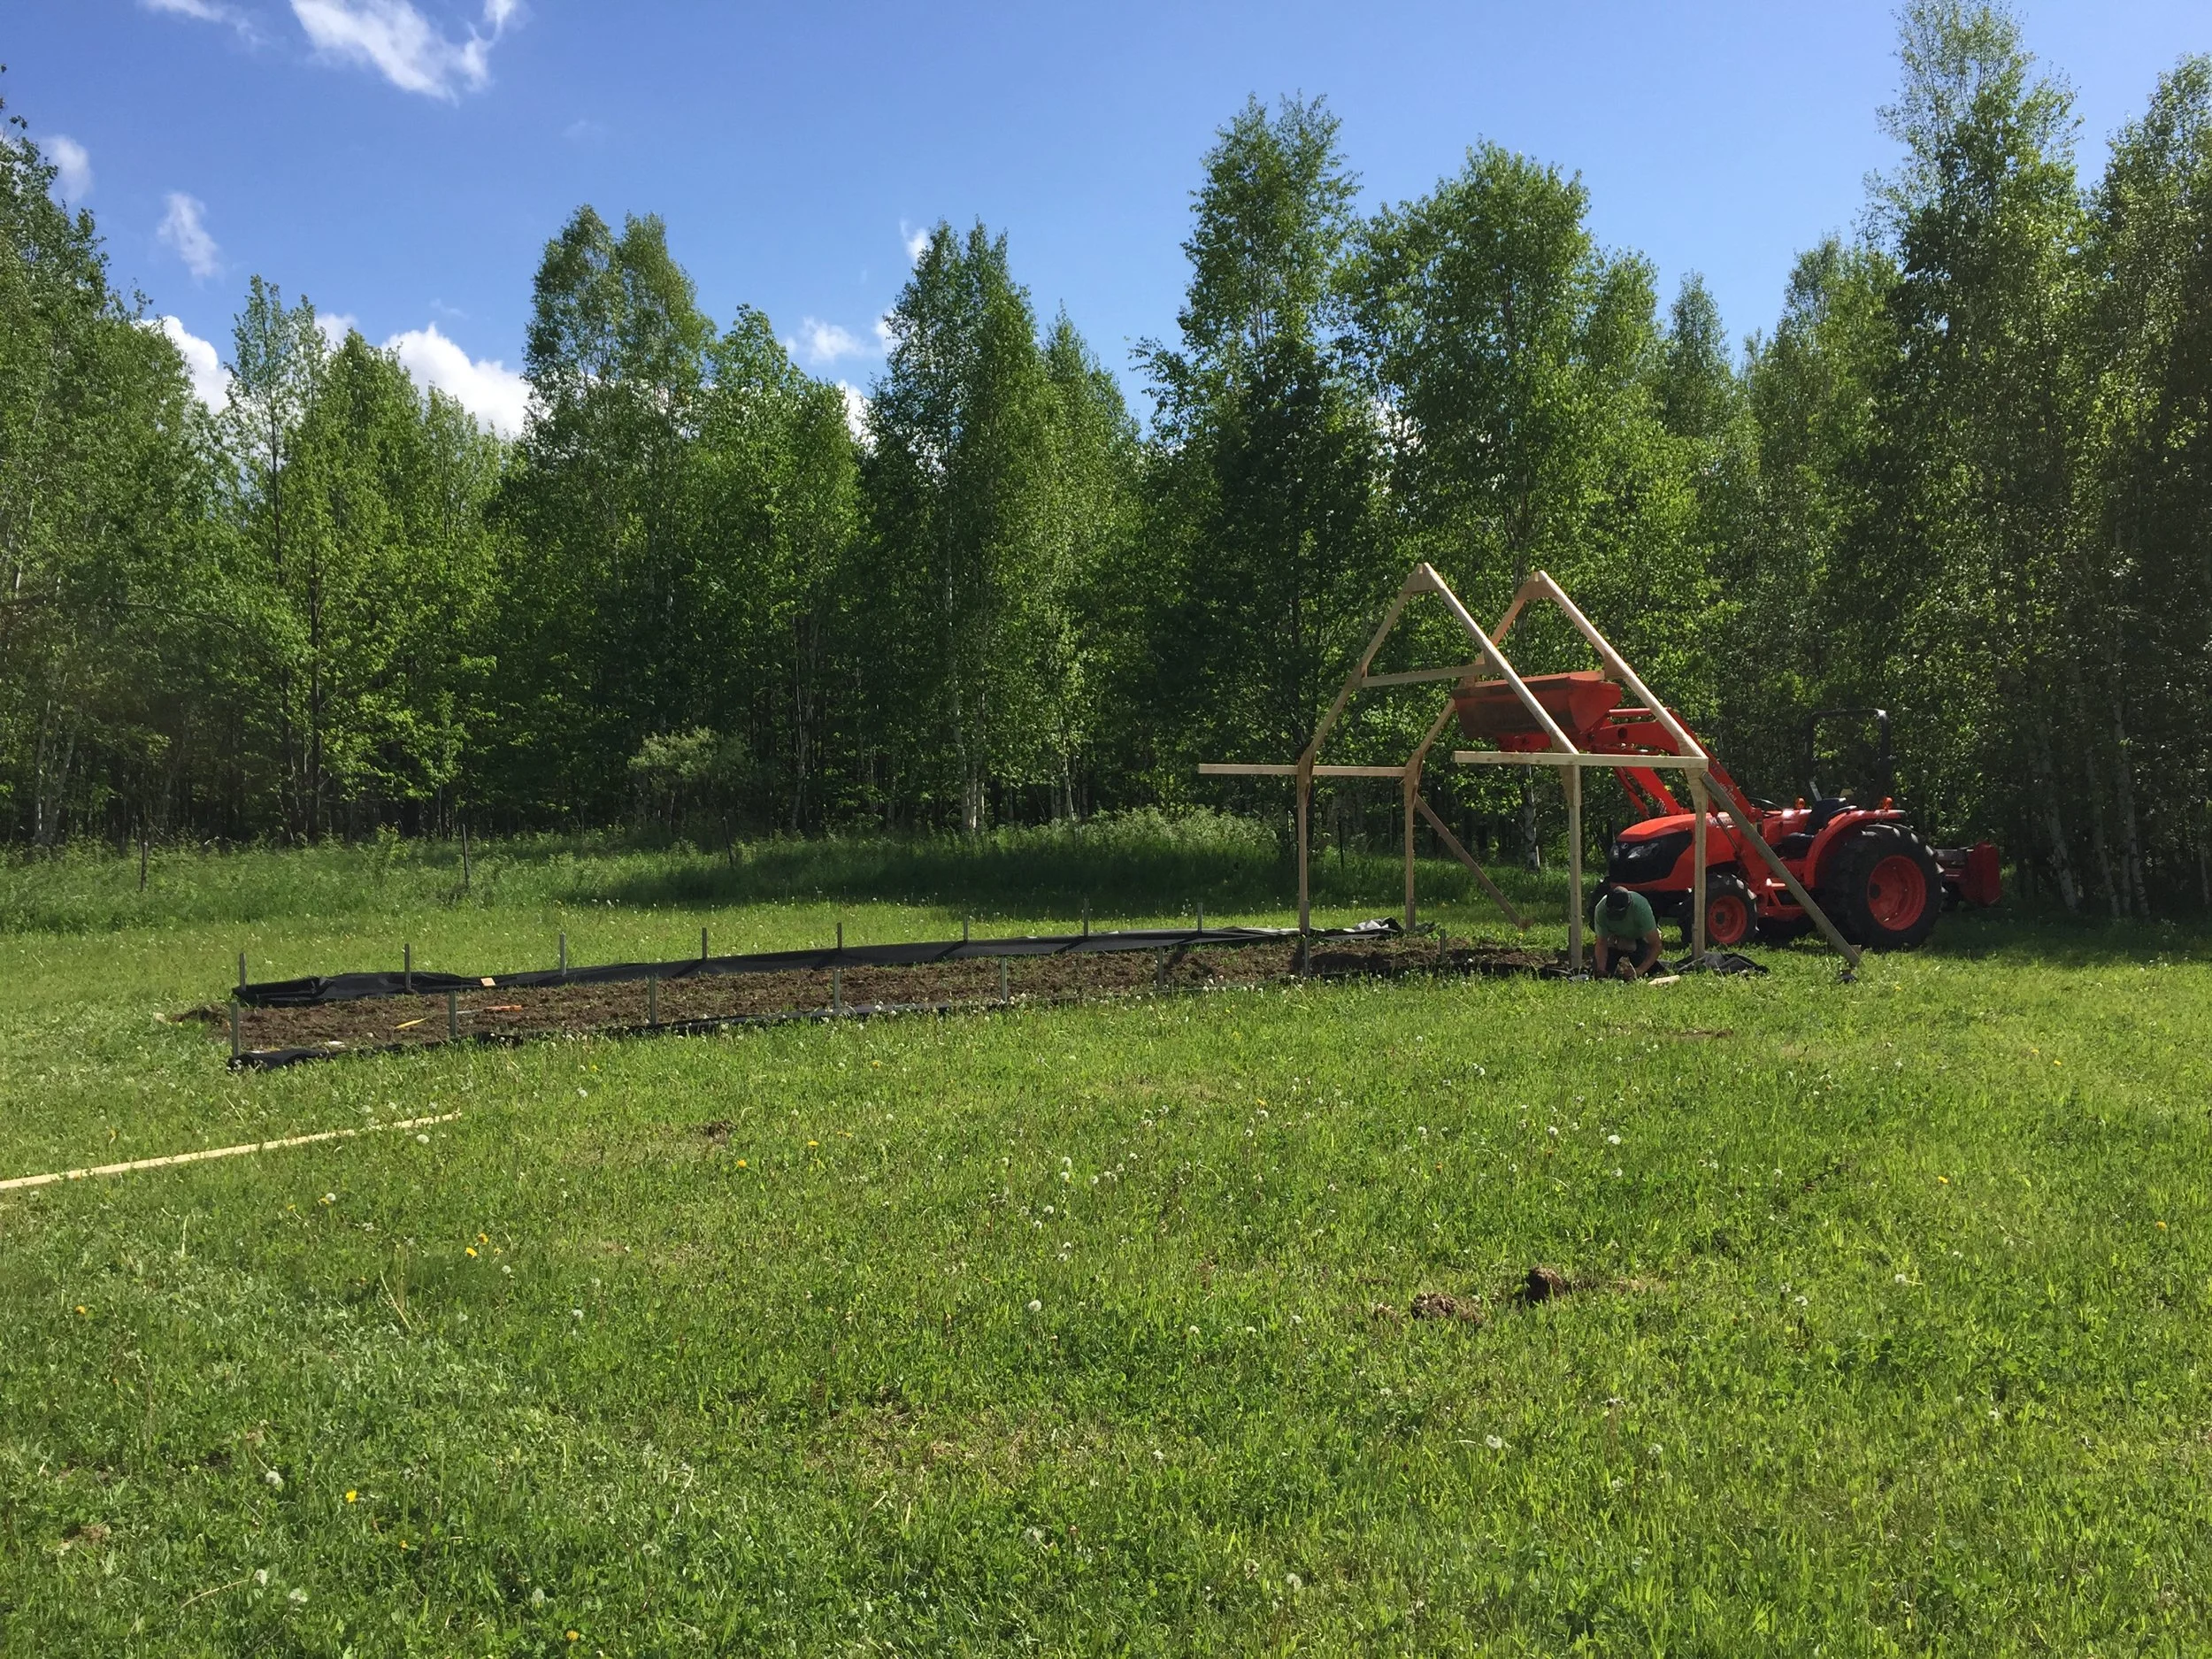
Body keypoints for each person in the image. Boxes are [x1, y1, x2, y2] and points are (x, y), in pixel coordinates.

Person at [1592, 887, 1663, 981]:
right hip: (1614, 940)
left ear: (1628, 906)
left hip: (1639, 939)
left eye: (1618, 913)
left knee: (1647, 967)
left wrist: (1639, 971)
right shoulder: (1600, 909)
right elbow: (1601, 942)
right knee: (1599, 969)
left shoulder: (1641, 907)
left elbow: (1656, 945)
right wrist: (1601, 969)